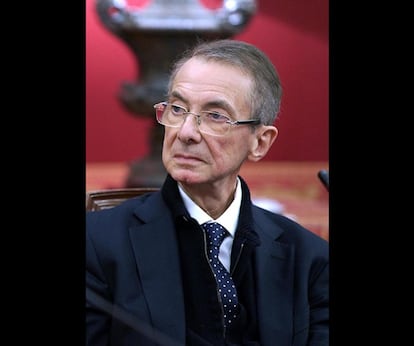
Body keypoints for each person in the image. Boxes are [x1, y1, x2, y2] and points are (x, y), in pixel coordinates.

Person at [86, 39, 329, 346]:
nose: (186, 132)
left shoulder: (310, 260)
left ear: (260, 142)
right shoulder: (96, 245)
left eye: (215, 116)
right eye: (177, 109)